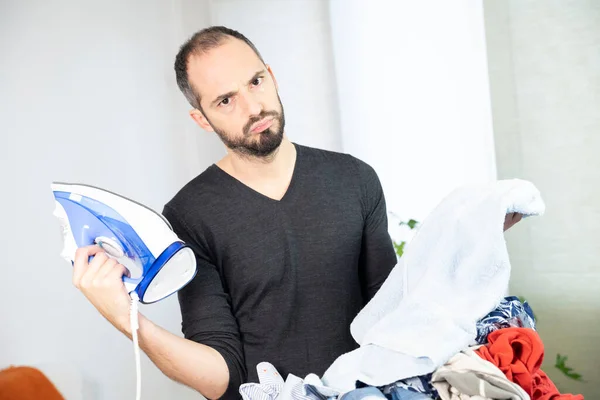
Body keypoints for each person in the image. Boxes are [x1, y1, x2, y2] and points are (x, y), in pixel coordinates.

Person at [71, 26, 523, 400]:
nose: (253, 107)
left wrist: (462, 247)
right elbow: (220, 376)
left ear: (271, 76)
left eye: (255, 82)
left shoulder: (355, 179)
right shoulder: (190, 214)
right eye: (225, 100)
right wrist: (123, 317)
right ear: (202, 120)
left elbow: (394, 317)